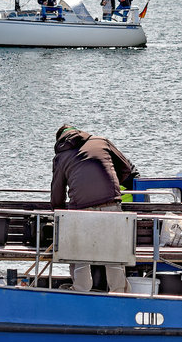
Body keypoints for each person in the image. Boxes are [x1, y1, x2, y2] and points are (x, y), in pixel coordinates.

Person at [50, 125, 139, 292]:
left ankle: (81, 289)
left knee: (78, 252)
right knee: (114, 252)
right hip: (110, 204)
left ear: (60, 140)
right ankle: (118, 291)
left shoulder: (61, 156)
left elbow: (57, 192)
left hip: (80, 209)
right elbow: (126, 168)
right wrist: (112, 183)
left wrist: (58, 212)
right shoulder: (101, 141)